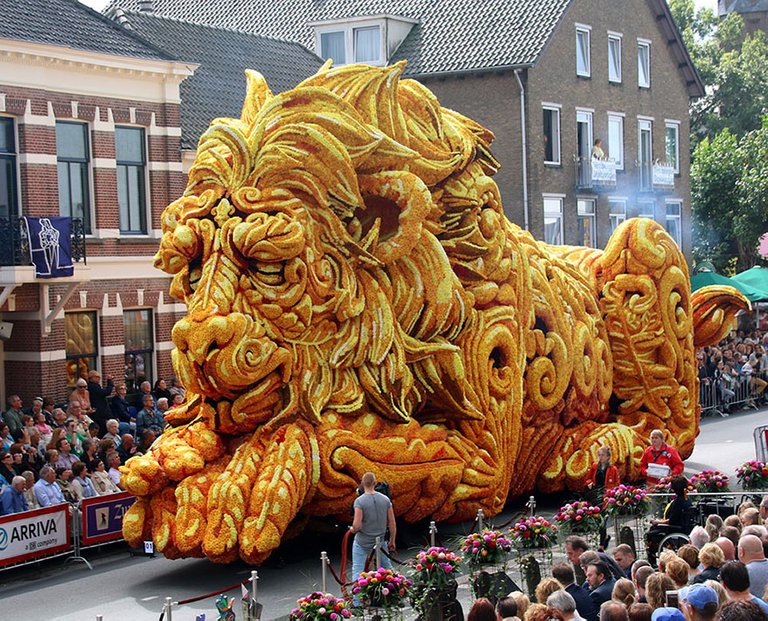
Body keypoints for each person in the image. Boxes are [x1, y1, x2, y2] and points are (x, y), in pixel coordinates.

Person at [350, 472, 395, 584]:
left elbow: (357, 525)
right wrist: (392, 540)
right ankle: (396, 593)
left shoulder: (359, 501)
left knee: (358, 571)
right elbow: (392, 523)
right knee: (388, 569)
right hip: (380, 540)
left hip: (363, 541)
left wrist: (352, 530)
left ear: (362, 484)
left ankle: (357, 600)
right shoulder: (385, 500)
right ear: (375, 483)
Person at [646, 475, 693, 565]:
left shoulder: (678, 502)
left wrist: (657, 521)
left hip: (675, 527)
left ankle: (652, 559)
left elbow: (670, 520)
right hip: (682, 526)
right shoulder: (687, 499)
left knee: (651, 533)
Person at [586, 445, 620, 547]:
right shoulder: (595, 466)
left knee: (603, 519)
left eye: (603, 455)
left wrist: (612, 494)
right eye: (599, 455)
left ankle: (601, 544)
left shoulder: (613, 469)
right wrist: (590, 482)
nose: (600, 457)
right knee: (597, 518)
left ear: (608, 457)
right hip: (595, 495)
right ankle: (604, 537)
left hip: (606, 497)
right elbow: (588, 478)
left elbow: (617, 483)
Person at [87, 370, 114, 435]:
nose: (99, 378)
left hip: (102, 410)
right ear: (91, 378)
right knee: (102, 428)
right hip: (98, 411)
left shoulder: (96, 386)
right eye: (97, 377)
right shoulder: (93, 387)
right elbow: (106, 392)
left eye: (99, 377)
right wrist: (109, 382)